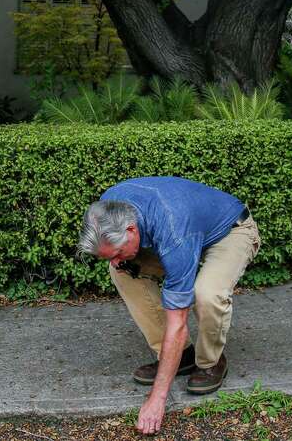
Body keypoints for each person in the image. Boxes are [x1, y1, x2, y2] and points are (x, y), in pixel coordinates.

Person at [77, 176, 261, 436]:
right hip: (187, 231)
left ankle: (210, 363)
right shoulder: (108, 209)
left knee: (207, 293)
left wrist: (157, 400)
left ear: (131, 230)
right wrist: (118, 259)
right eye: (110, 255)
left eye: (118, 253)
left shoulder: (173, 231)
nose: (116, 259)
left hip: (230, 231)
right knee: (122, 273)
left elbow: (178, 321)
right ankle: (179, 357)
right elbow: (121, 253)